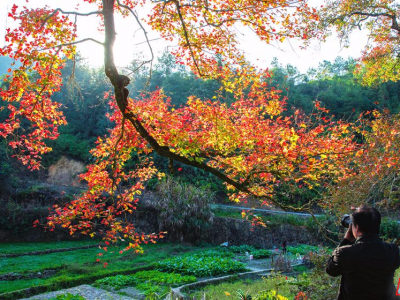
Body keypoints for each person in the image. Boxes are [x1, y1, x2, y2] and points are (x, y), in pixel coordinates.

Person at [326, 206, 400, 300]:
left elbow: (330, 270)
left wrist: (346, 240)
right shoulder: (392, 251)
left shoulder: (345, 253)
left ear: (356, 228)